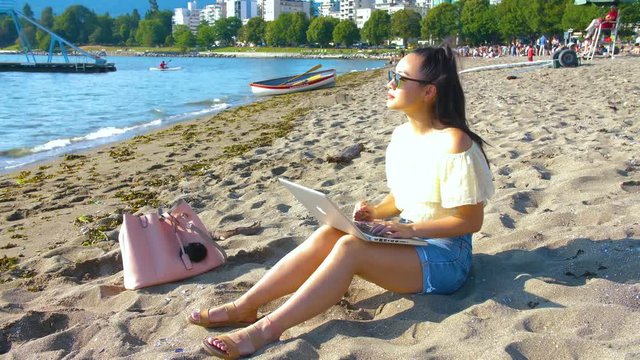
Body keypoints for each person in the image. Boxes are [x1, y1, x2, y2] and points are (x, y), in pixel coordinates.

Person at [188, 46, 495, 359]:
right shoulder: (402, 136)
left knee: (350, 249)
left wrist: (408, 230)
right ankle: (246, 306)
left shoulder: (455, 141)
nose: (389, 83)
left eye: (399, 79)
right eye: (391, 75)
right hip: (409, 238)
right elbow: (403, 198)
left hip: (447, 255)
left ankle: (264, 331)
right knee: (330, 232)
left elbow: (470, 222)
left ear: (429, 91)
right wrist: (374, 212)